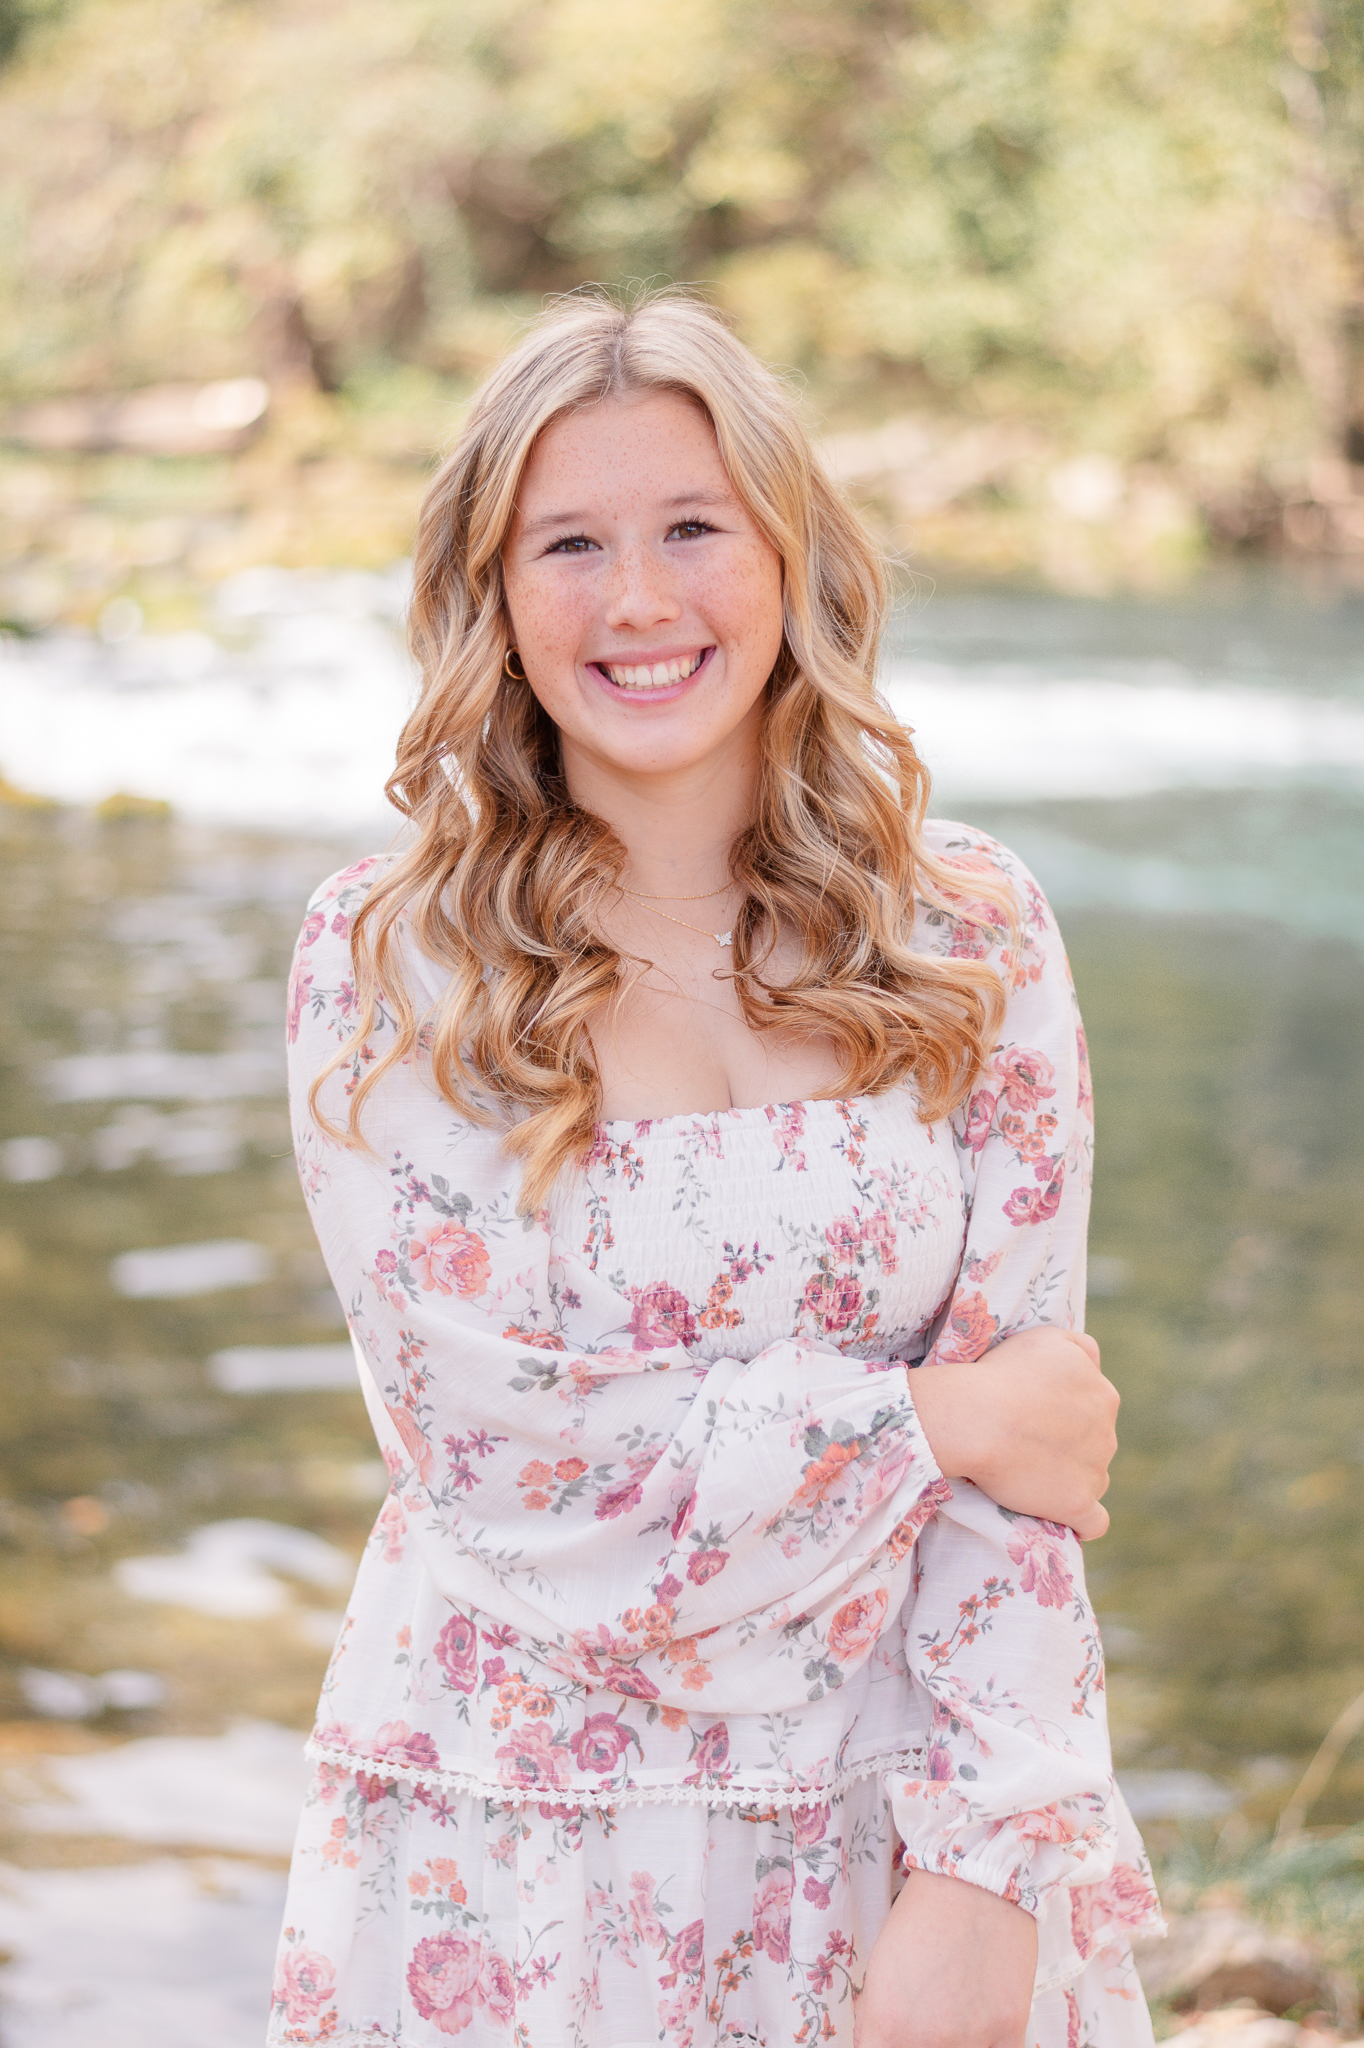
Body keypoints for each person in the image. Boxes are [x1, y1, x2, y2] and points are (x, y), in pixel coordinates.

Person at [270, 290, 1161, 2048]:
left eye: (693, 526)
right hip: (515, 1845)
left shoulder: (971, 930)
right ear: (493, 594)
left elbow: (1031, 1465)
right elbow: (510, 1475)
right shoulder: (391, 965)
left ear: (789, 549)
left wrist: (986, 1870)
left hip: (898, 1822)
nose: (641, 600)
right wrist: (925, 1423)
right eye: (570, 543)